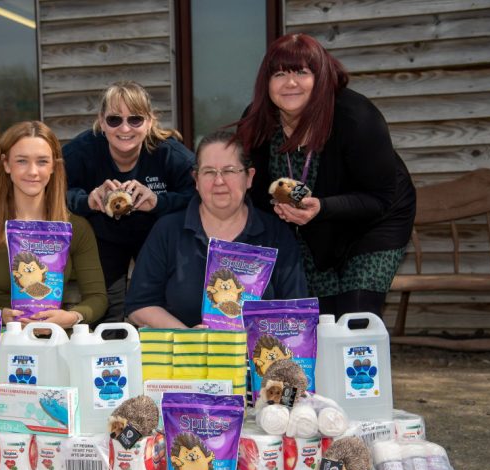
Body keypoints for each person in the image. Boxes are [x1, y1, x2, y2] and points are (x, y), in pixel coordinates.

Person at [237, 33, 416, 319]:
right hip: (311, 227)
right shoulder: (257, 120)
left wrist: (322, 208)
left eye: (301, 72)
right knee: (321, 319)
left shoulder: (357, 117)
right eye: (279, 73)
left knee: (356, 317)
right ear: (266, 83)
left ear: (320, 77)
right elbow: (256, 191)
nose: (290, 82)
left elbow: (380, 198)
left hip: (375, 220)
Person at [124, 131, 307, 329]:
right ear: (196, 179)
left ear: (249, 177)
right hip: (185, 357)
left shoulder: (276, 234)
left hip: (259, 356)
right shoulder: (168, 231)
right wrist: (188, 337)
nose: (219, 181)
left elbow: (294, 308)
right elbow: (139, 304)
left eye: (229, 171)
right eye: (209, 172)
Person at [0, 121, 108, 328]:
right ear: (6, 164)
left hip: (54, 340)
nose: (32, 171)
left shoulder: (75, 228)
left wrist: (72, 317)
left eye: (42, 161)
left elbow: (97, 298)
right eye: (22, 161)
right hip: (1, 341)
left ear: (54, 167)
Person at [63, 81, 196, 322]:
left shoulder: (168, 153)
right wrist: (87, 201)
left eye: (135, 119)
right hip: (103, 235)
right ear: (102, 122)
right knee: (106, 310)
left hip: (155, 235)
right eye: (115, 119)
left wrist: (159, 202)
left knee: (161, 304)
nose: (125, 128)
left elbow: (199, 194)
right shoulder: (82, 151)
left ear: (149, 122)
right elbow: (55, 190)